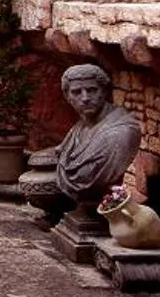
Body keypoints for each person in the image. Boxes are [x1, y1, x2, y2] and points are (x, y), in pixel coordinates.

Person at [17, 63, 140, 226]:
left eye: (92, 90)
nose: (85, 98)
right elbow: (61, 151)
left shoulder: (121, 133)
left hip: (96, 204)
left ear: (104, 92)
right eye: (76, 92)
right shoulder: (82, 125)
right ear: (67, 97)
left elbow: (94, 173)